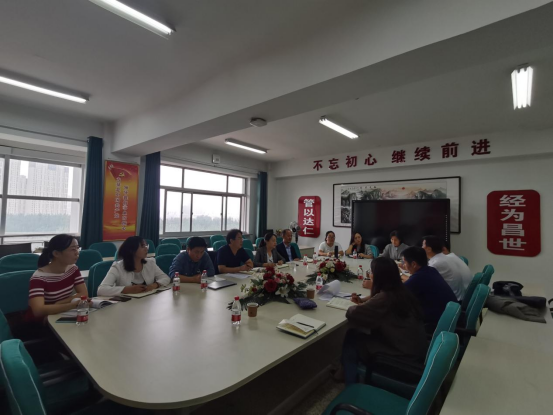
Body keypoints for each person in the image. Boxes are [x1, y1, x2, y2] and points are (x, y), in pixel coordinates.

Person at [338, 257, 427, 385]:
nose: (370, 275)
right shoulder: (401, 291)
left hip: (400, 358)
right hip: (413, 352)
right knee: (357, 333)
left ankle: (350, 382)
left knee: (352, 337)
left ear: (379, 276)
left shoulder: (386, 298)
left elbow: (352, 313)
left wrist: (361, 305)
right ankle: (343, 371)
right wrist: (366, 304)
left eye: (371, 272)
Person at [27, 234, 89, 320]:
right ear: (56, 253)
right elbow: (38, 311)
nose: (77, 252)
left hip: (62, 313)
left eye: (77, 248)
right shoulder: (39, 278)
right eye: (72, 249)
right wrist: (74, 304)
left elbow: (84, 293)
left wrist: (60, 303)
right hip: (44, 319)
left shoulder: (73, 269)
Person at [401, 247, 458, 328]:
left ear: (413, 264)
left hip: (435, 323)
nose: (404, 265)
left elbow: (397, 295)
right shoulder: (431, 270)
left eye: (404, 262)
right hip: (448, 316)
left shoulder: (418, 278)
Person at [98, 236, 170, 297]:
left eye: (146, 246)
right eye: (142, 246)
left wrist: (154, 285)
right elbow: (101, 290)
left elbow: (165, 278)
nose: (146, 249)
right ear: (132, 250)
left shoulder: (150, 263)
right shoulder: (117, 267)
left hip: (147, 302)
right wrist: (127, 289)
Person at [422, 235, 470, 301]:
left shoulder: (436, 263)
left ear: (429, 249)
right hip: (457, 296)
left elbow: (423, 282)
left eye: (423, 245)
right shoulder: (443, 257)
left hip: (451, 300)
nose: (421, 247)